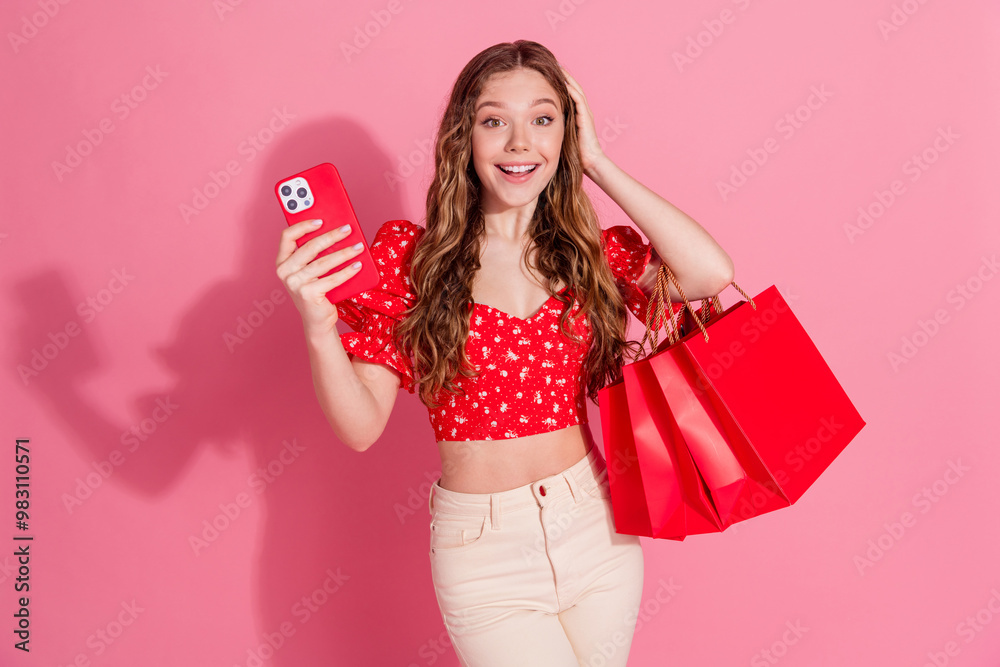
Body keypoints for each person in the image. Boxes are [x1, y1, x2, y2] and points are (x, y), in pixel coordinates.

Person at [276, 40, 733, 667]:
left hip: (596, 523)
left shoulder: (590, 255)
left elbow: (710, 273)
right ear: (463, 137)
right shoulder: (411, 264)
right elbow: (360, 428)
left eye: (543, 119)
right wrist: (318, 326)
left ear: (567, 134)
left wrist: (597, 163)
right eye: (494, 121)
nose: (521, 143)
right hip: (484, 551)